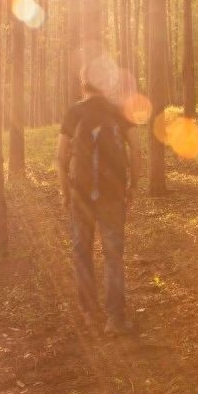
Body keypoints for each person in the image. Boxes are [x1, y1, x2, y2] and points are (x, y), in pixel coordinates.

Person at [57, 62, 142, 335]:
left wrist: (65, 191)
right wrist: (132, 186)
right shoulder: (120, 110)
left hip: (81, 193)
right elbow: (137, 151)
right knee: (113, 255)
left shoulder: (73, 112)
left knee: (82, 253)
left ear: (83, 84)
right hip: (113, 193)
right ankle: (115, 318)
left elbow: (61, 157)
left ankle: (89, 315)